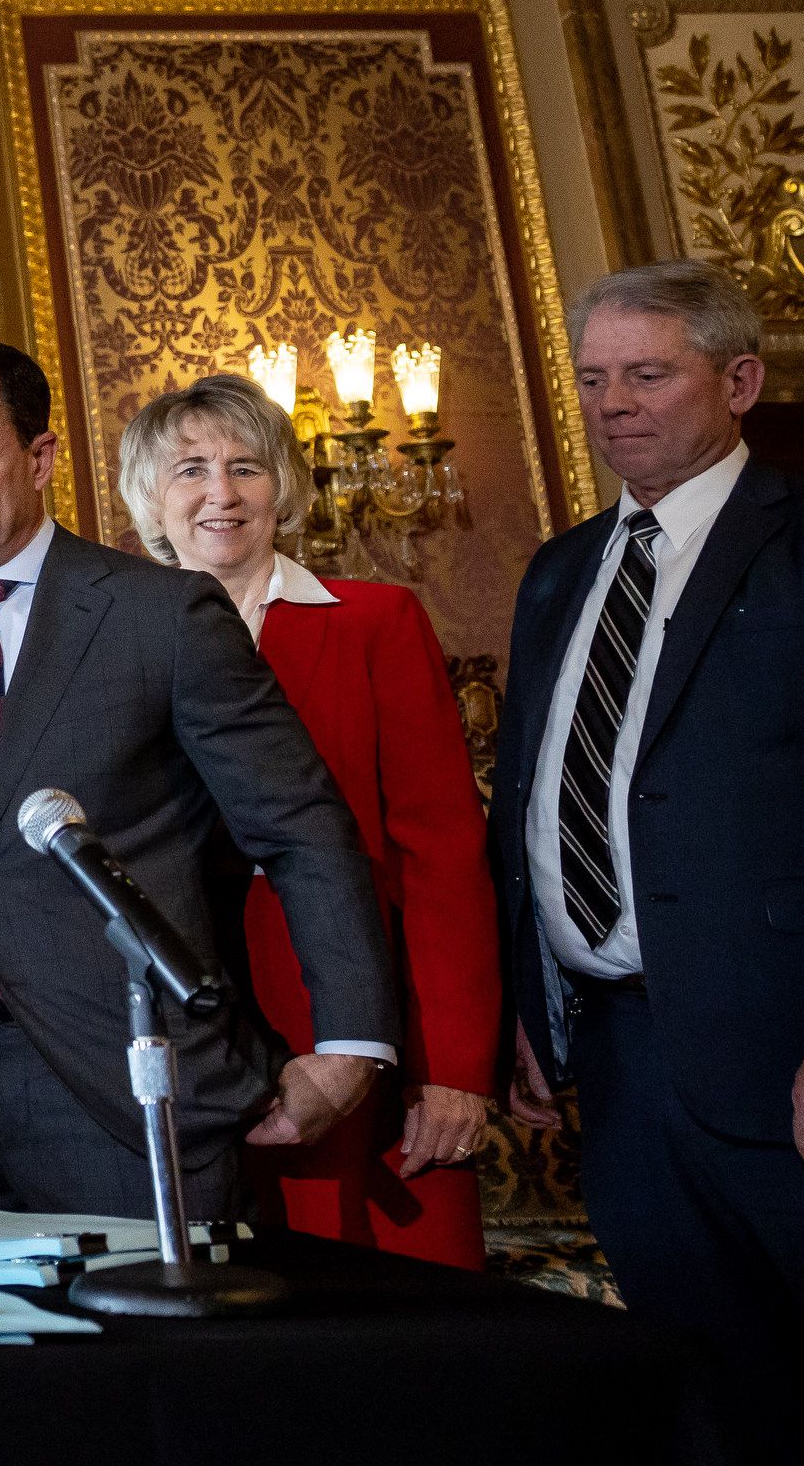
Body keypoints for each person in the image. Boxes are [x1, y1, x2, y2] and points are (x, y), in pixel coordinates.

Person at [0, 337, 398, 1221]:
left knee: (153, 1361)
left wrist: (351, 1042)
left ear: (40, 456)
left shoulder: (162, 615)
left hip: (132, 1080)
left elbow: (299, 826)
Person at [489, 260, 804, 1453]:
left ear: (739, 380)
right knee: (708, 1400)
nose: (612, 402)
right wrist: (529, 995)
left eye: (647, 373)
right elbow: (527, 795)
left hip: (796, 1063)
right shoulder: (558, 570)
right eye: (591, 378)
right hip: (621, 1067)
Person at [116, 374, 499, 1268]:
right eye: (190, 470)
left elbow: (442, 853)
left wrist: (450, 1064)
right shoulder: (109, 645)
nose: (221, 494)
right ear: (149, 497)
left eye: (246, 467)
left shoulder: (376, 622)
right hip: (179, 1038)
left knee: (381, 1331)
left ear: (283, 485)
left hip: (353, 1024)